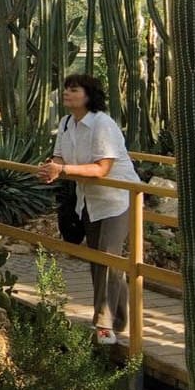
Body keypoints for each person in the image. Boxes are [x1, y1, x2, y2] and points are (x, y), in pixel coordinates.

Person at [35, 74, 141, 346]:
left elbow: (102, 168)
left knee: (107, 259)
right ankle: (118, 318)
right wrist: (52, 168)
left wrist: (64, 170)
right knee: (102, 262)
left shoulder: (102, 125)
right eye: (66, 90)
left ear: (88, 95)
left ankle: (104, 325)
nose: (67, 94)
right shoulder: (67, 123)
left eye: (74, 90)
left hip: (117, 199)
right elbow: (60, 155)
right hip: (89, 200)